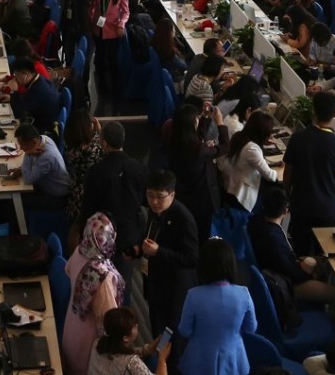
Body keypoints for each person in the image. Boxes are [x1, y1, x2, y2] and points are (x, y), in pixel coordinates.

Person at [283, 92, 335, 255]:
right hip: (326, 207)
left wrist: (287, 195)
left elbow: (288, 172)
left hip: (301, 204)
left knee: (301, 251)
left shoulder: (297, 138)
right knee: (325, 251)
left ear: (313, 110)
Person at [247, 187, 335, 307]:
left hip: (284, 270)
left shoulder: (257, 223)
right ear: (285, 211)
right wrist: (310, 275)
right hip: (290, 285)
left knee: (325, 262)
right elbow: (292, 274)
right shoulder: (273, 239)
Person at [177, 238, 256, 375]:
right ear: (231, 264)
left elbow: (184, 330)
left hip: (198, 361)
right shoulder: (244, 293)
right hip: (234, 361)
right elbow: (251, 328)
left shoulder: (194, 295)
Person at [82, 123, 147, 282]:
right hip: (130, 236)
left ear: (104, 143)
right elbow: (144, 199)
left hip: (103, 236)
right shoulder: (139, 167)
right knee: (124, 282)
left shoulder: (96, 171)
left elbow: (88, 209)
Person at [64, 212, 126, 375]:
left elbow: (68, 270)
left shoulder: (79, 251)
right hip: (89, 345)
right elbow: (110, 321)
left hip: (71, 330)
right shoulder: (102, 276)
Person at [141, 170, 199, 336]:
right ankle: (158, 354)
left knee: (171, 333)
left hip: (173, 289)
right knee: (156, 329)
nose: (154, 201)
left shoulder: (183, 219)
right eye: (150, 195)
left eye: (160, 196)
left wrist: (159, 252)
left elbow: (192, 258)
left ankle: (167, 361)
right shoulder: (154, 210)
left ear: (172, 195)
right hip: (154, 281)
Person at [163, 103, 227, 244]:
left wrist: (205, 117)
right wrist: (220, 124)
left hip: (182, 194)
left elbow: (196, 137)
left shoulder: (173, 138)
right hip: (201, 199)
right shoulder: (199, 149)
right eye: (197, 118)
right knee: (201, 235)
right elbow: (224, 147)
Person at [218, 111, 278, 212]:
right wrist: (278, 171)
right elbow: (270, 176)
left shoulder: (238, 136)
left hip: (231, 188)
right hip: (241, 196)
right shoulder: (252, 149)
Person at [89, 307, 168, 375]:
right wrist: (162, 360)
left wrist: (147, 350)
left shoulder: (98, 342)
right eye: (134, 326)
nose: (137, 325)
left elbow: (120, 353)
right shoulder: (132, 364)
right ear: (125, 338)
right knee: (153, 361)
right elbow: (126, 360)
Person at [9, 123, 70, 209]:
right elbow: (34, 165)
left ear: (33, 141)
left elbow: (28, 179)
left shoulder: (47, 157)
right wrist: (21, 169)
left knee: (15, 202)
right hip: (45, 185)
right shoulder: (43, 139)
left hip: (55, 196)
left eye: (22, 145)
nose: (21, 148)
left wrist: (28, 154)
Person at [63, 110, 102, 240]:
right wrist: (99, 131)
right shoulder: (91, 148)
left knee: (76, 225)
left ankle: (71, 256)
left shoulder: (69, 145)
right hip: (88, 189)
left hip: (76, 185)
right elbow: (102, 147)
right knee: (83, 226)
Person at [89, 0, 130, 93]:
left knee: (113, 60)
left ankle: (116, 86)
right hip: (98, 26)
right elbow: (93, 5)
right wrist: (90, 18)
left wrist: (121, 24)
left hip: (113, 29)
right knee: (100, 57)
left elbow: (125, 12)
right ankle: (102, 84)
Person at [2, 58, 59, 135]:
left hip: (42, 128)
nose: (15, 78)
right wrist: (11, 98)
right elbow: (25, 101)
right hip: (45, 118)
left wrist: (13, 91)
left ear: (25, 75)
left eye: (16, 75)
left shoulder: (37, 89)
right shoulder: (39, 79)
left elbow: (18, 112)